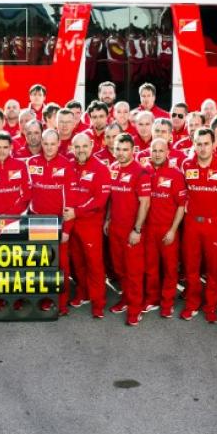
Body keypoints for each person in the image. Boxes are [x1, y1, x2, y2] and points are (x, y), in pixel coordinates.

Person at [180, 121, 217, 323]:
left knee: (214, 268)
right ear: (194, 145)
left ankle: (210, 305)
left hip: (216, 224)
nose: (202, 148)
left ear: (213, 144)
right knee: (191, 267)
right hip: (192, 223)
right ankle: (192, 303)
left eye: (206, 143)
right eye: (198, 144)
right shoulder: (186, 165)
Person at [27, 129, 77, 313]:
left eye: (52, 144)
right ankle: (44, 300)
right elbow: (26, 193)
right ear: (41, 143)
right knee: (41, 264)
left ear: (58, 144)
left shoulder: (66, 165)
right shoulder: (31, 163)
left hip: (58, 222)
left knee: (61, 265)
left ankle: (62, 303)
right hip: (37, 221)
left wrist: (66, 229)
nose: (49, 148)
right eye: (45, 143)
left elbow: (70, 199)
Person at [105, 133, 151, 326]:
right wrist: (107, 219)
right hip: (115, 228)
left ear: (133, 150)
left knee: (133, 272)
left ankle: (135, 308)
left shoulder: (141, 172)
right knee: (119, 268)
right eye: (118, 149)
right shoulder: (112, 168)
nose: (121, 153)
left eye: (125, 149)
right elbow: (111, 198)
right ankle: (125, 299)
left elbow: (145, 203)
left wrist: (137, 230)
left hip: (131, 231)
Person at [66, 133, 110, 318]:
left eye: (84, 146)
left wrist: (77, 212)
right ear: (72, 148)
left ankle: (98, 302)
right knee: (78, 263)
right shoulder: (69, 165)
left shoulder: (101, 168)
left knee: (94, 265)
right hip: (72, 223)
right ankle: (83, 293)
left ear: (91, 145)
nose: (81, 150)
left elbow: (100, 200)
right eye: (77, 147)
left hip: (90, 225)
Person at [142, 137, 186, 317]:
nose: (157, 154)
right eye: (154, 150)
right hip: (149, 229)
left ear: (167, 152)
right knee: (151, 267)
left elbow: (181, 206)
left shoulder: (175, 174)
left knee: (169, 268)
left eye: (161, 151)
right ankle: (152, 299)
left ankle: (167, 303)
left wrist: (173, 230)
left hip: (168, 228)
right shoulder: (144, 171)